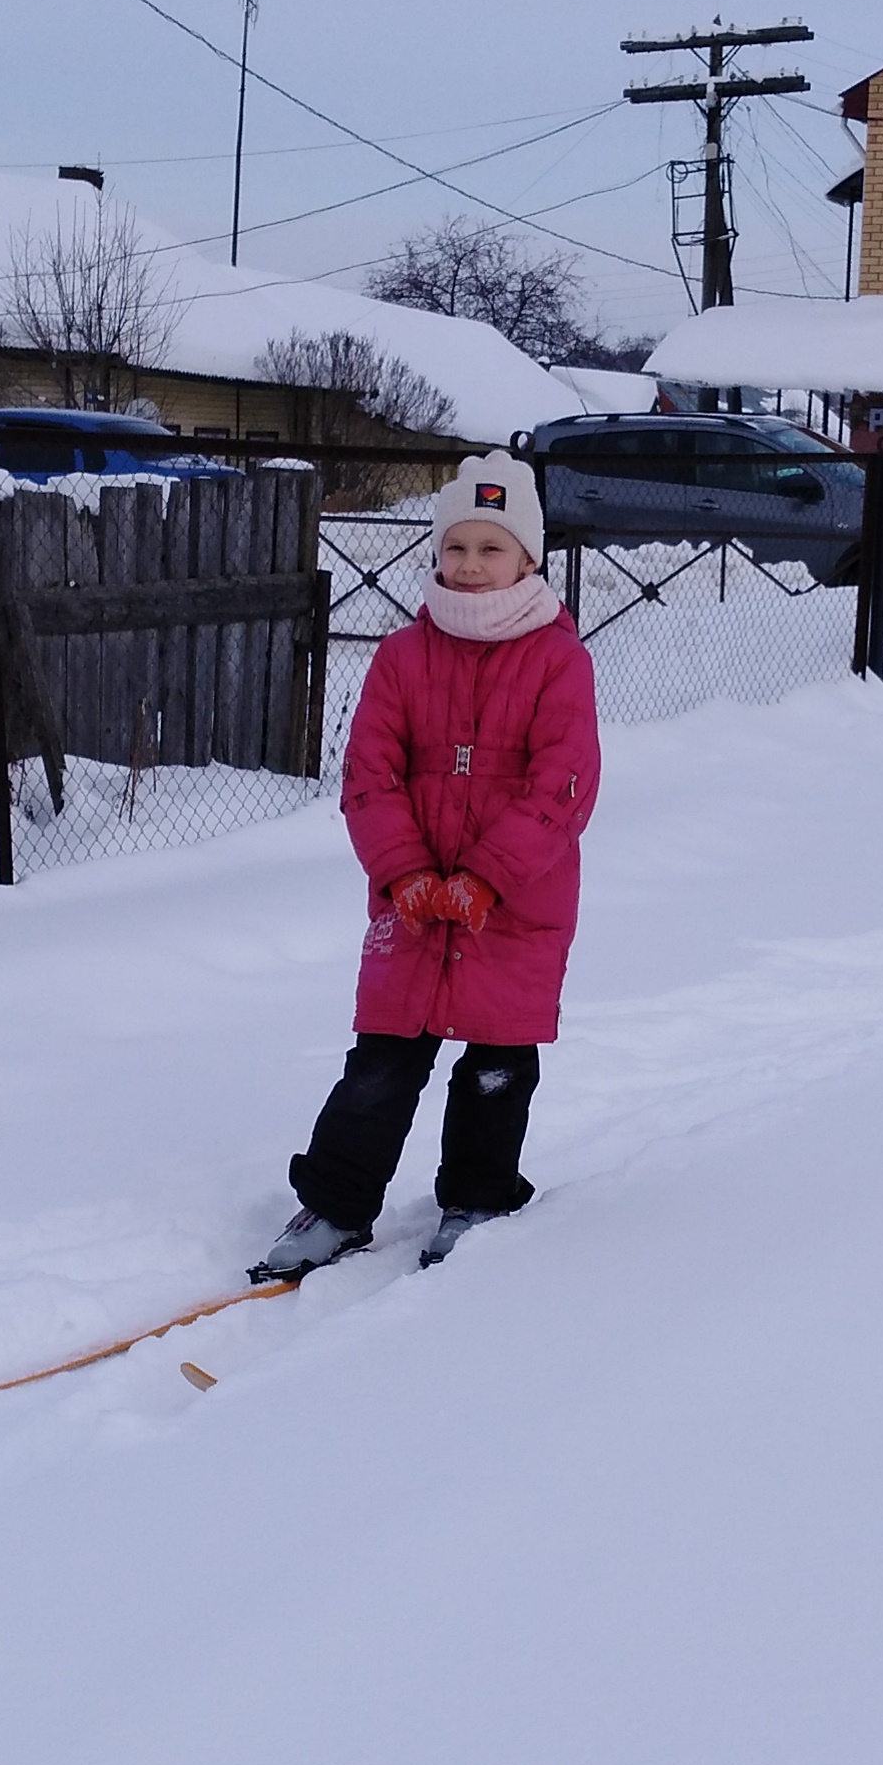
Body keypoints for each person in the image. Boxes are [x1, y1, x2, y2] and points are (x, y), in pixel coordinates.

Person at [253, 453, 599, 1280]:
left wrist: (484, 877)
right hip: (411, 904)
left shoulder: (559, 660)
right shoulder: (403, 657)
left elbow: (564, 785)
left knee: (495, 1064)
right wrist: (404, 870)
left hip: (514, 906)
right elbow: (369, 774)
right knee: (381, 1062)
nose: (472, 567)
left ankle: (477, 1197)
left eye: (493, 549)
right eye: (457, 549)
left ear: (529, 560)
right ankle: (336, 1206)